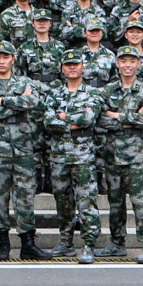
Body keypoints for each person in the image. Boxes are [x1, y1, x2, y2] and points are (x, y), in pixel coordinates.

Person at [0, 42, 43, 261]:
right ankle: (3, 243)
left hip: (23, 149)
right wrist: (17, 103)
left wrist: (3, 101)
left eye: (6, 57)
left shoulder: (25, 82)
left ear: (13, 59)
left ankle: (28, 243)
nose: (2, 61)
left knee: (25, 197)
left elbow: (33, 101)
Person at [98, 44, 143, 262]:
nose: (127, 65)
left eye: (132, 61)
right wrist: (129, 117)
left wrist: (116, 115)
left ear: (139, 64)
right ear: (117, 64)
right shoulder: (107, 90)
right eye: (123, 61)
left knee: (142, 202)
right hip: (112, 154)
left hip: (137, 155)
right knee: (115, 203)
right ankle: (117, 243)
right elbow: (100, 119)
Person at [42, 49, 103, 263]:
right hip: (59, 155)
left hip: (83, 156)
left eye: (75, 64)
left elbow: (88, 118)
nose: (72, 67)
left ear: (82, 67)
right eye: (68, 65)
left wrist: (64, 116)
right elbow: (48, 122)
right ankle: (66, 241)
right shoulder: (54, 93)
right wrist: (72, 122)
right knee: (63, 201)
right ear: (62, 69)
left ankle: (88, 244)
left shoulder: (93, 93)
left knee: (86, 200)